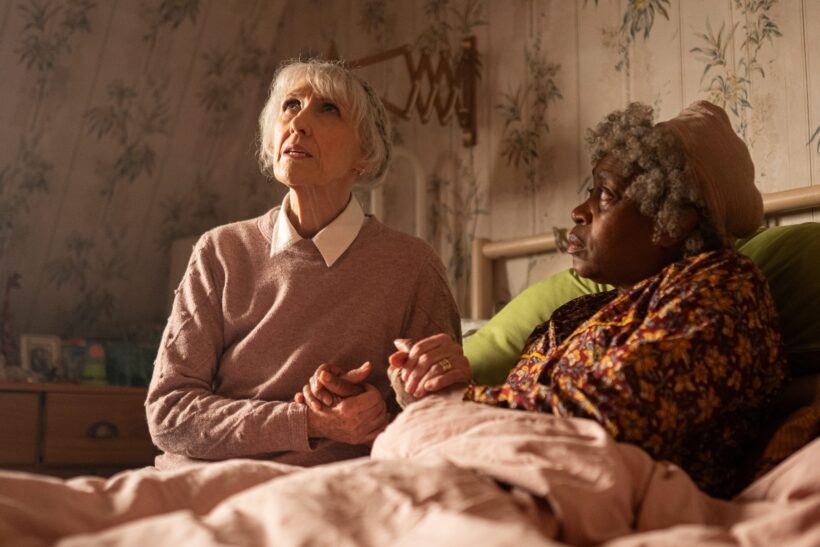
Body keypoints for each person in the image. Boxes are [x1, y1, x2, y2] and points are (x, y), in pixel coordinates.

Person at [304, 100, 787, 498]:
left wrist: (452, 404)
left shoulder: (720, 287)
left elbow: (609, 416)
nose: (578, 210)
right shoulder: (576, 314)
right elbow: (513, 415)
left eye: (604, 194)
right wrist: (419, 395)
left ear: (675, 220)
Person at [145, 59, 461, 469]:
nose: (298, 122)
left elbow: (438, 422)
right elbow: (169, 414)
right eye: (290, 105)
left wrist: (396, 404)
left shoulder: (412, 266)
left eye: (327, 108)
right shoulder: (219, 251)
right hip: (201, 478)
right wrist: (309, 421)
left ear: (364, 153)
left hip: (331, 488)